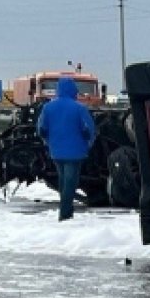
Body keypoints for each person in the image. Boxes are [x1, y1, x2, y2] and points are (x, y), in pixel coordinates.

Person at [37, 76, 96, 221]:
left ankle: (66, 210)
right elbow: (88, 128)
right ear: (74, 90)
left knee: (63, 180)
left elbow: (41, 128)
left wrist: (48, 140)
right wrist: (88, 141)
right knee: (71, 181)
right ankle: (65, 213)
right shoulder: (79, 108)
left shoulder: (48, 107)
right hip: (76, 150)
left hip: (56, 150)